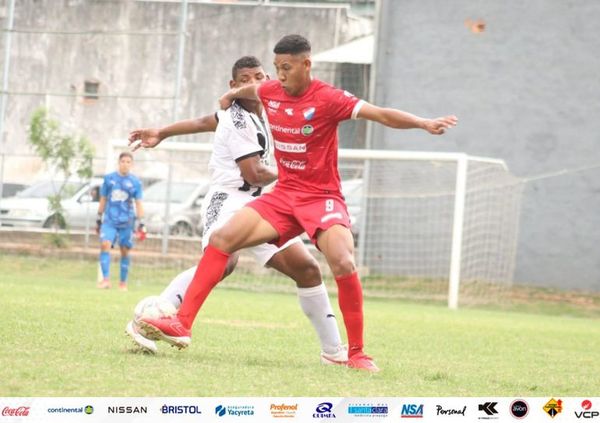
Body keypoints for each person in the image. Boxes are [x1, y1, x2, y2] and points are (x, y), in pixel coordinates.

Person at [139, 35, 457, 373]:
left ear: (307, 65)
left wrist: (423, 123)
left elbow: (380, 114)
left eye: (286, 68)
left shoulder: (329, 98)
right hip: (283, 196)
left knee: (343, 261)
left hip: (321, 198)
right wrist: (231, 94)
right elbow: (248, 93)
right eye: (276, 68)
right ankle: (182, 323)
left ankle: (358, 353)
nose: (280, 75)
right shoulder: (270, 91)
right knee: (222, 241)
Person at [126, 56, 347, 365]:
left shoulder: (267, 109)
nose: (254, 83)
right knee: (224, 263)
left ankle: (335, 354)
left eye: (260, 76)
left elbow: (205, 121)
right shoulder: (237, 118)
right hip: (229, 201)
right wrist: (293, 174)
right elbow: (253, 173)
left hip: (261, 203)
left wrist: (163, 132)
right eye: (246, 79)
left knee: (306, 269)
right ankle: (151, 316)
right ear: (234, 87)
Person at [96, 152, 145, 291]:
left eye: (128, 162)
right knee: (105, 245)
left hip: (127, 222)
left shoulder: (135, 182)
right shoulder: (109, 179)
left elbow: (138, 202)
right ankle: (105, 280)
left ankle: (123, 283)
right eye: (123, 161)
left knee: (124, 251)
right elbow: (103, 198)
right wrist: (99, 217)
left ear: (132, 164)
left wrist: (142, 222)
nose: (125, 164)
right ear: (119, 162)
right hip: (109, 220)